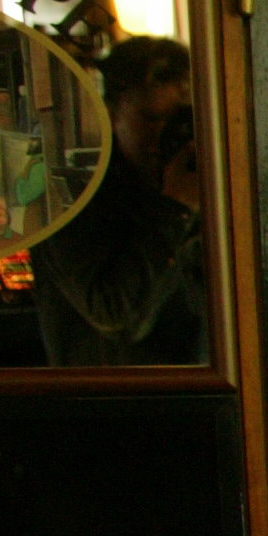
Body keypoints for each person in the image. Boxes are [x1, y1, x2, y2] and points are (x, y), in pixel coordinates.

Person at [33, 35, 208, 365]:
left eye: (182, 120)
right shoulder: (72, 192)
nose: (166, 134)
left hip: (196, 396)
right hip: (116, 403)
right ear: (111, 114)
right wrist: (175, 210)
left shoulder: (193, 180)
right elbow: (115, 313)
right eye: (151, 119)